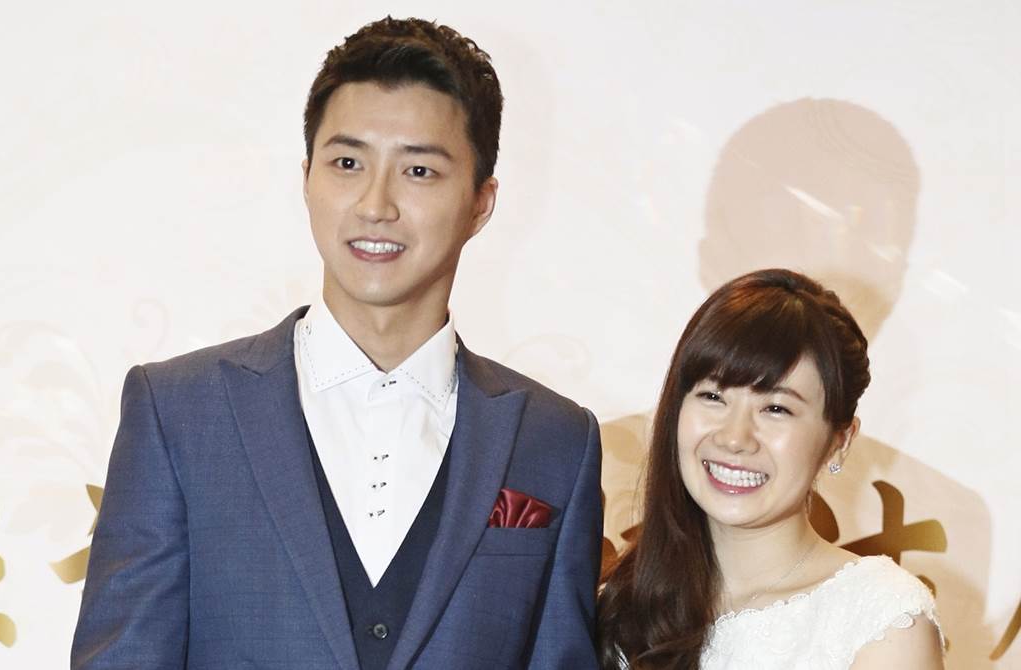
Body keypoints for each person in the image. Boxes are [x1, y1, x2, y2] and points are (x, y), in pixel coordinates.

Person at [71, 17, 602, 670]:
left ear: (480, 203)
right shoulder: (178, 411)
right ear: (307, 178)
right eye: (348, 163)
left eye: (419, 170)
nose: (375, 204)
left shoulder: (558, 441)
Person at [597, 269, 942, 669]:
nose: (734, 437)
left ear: (840, 441)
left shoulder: (883, 620)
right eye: (713, 396)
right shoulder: (617, 606)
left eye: (776, 408)